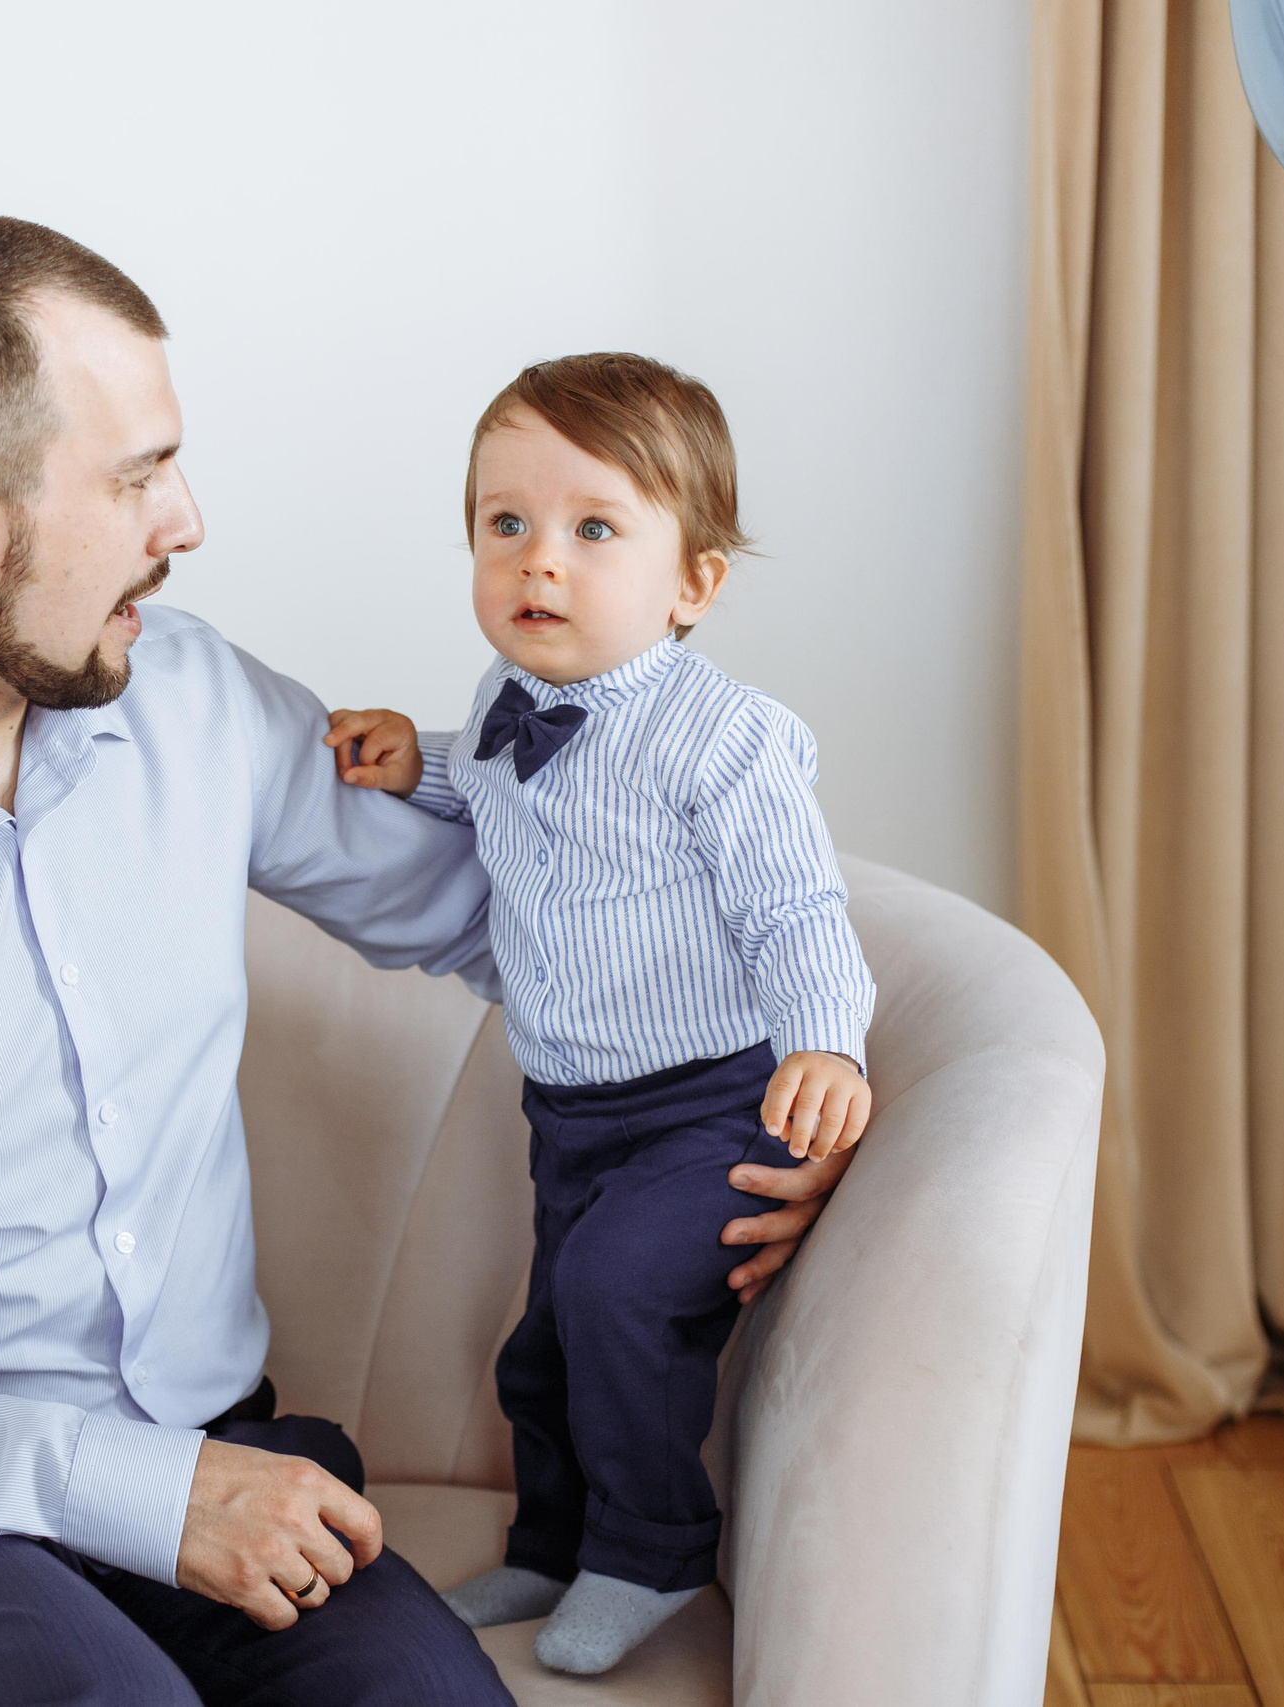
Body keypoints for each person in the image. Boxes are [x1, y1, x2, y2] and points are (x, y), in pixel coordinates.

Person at [0, 218, 851, 1706]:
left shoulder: (188, 704)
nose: (188, 520)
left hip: (223, 1458)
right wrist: (135, 1492)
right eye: (137, 474)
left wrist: (744, 1115)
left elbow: (540, 920)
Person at [326, 353, 875, 1677]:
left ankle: (654, 1551)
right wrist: (418, 765)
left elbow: (797, 907)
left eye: (593, 530)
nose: (539, 560)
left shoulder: (721, 739)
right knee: (545, 1340)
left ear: (693, 584)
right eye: (506, 523)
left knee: (618, 1296)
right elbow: (499, 791)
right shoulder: (503, 703)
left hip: (711, 1101)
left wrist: (826, 1041)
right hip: (569, 1107)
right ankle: (553, 1539)